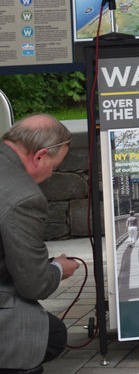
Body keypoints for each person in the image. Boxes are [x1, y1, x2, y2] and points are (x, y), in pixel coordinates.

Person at [0, 114, 78, 373]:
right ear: (40, 156)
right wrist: (57, 269)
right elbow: (33, 285)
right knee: (52, 336)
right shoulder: (24, 197)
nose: (52, 173)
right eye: (54, 165)